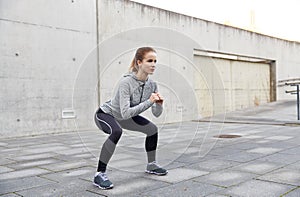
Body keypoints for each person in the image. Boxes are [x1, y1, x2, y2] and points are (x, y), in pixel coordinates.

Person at [93, 47, 168, 189]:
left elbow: (156, 113)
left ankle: (151, 165)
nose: (153, 65)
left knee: (152, 129)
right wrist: (149, 102)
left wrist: (158, 104)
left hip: (124, 116)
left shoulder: (152, 85)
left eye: (155, 61)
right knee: (116, 131)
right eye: (149, 61)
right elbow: (126, 113)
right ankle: (99, 174)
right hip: (106, 114)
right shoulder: (126, 83)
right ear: (139, 62)